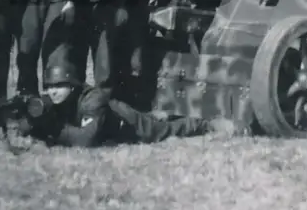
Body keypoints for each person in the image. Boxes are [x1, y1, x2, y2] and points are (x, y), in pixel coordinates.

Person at [14, 58, 210, 147]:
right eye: (49, 86)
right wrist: (31, 124)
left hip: (128, 123)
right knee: (157, 119)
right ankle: (162, 115)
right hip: (110, 124)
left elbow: (85, 140)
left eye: (59, 85)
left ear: (73, 85)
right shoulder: (55, 101)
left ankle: (204, 123)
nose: (52, 91)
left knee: (162, 131)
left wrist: (54, 129)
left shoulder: (93, 101)